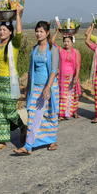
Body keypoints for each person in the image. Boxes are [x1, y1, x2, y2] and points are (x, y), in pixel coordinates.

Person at [13, 21, 59, 154]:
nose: (38, 34)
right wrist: (28, 88)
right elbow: (30, 70)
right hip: (35, 87)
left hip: (49, 86)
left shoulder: (53, 49)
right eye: (37, 31)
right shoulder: (34, 49)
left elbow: (53, 70)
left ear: (47, 33)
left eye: (41, 32)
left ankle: (51, 139)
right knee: (32, 114)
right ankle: (29, 145)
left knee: (49, 115)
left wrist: (48, 87)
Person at [0, 5, 27, 152]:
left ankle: (23, 127)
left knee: (10, 111)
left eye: (4, 30)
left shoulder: (14, 45)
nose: (1, 32)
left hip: (9, 82)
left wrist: (17, 15)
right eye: (0, 29)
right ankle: (2, 140)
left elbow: (20, 33)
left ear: (10, 32)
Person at [51, 29, 82, 120]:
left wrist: (76, 76)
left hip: (72, 76)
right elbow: (52, 42)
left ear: (72, 42)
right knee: (63, 95)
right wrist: (57, 32)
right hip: (62, 77)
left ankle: (74, 111)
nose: (66, 43)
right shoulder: (61, 50)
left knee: (73, 95)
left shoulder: (76, 52)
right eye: (64, 41)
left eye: (68, 41)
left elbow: (77, 65)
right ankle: (62, 114)